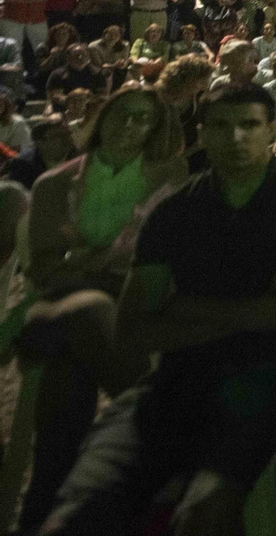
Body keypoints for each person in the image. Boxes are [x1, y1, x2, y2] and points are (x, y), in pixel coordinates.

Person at [37, 84, 276, 536]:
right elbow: (134, 332)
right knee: (74, 516)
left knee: (204, 515)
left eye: (249, 125)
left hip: (261, 379)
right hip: (171, 383)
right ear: (204, 133)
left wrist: (185, 308)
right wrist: (251, 310)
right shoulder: (176, 211)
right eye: (221, 126)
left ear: (271, 130)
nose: (236, 137)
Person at [16, 86, 186, 531]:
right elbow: (46, 270)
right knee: (86, 311)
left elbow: (170, 262)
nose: (130, 126)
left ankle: (44, 504)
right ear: (101, 117)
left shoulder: (170, 178)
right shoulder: (55, 184)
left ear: (154, 128)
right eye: (121, 115)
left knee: (68, 365)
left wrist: (87, 258)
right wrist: (108, 260)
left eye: (142, 119)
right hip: (62, 302)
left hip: (129, 304)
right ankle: (170, 435)